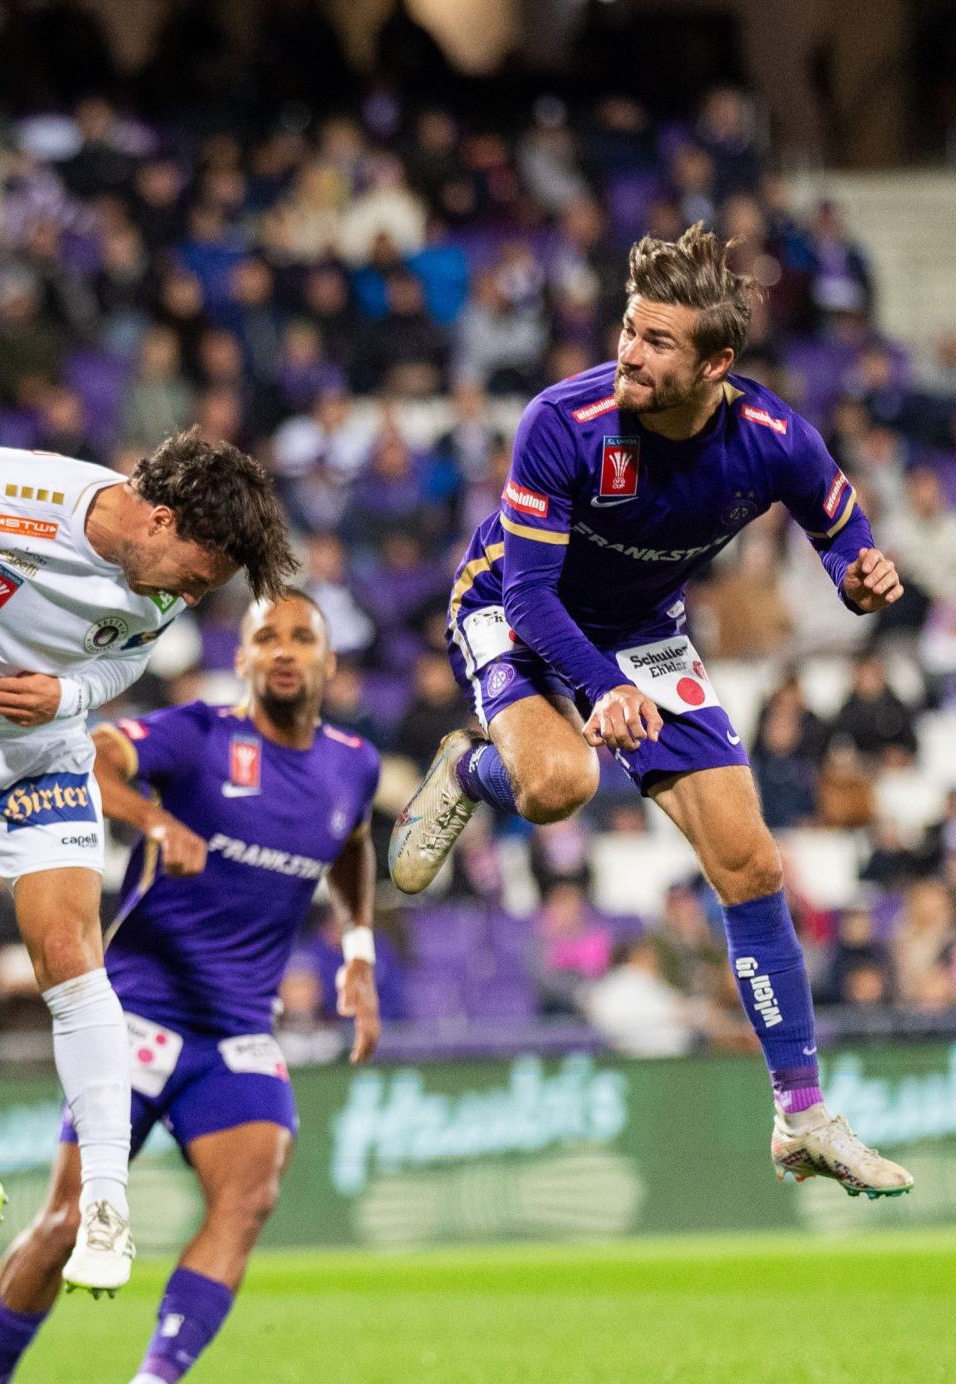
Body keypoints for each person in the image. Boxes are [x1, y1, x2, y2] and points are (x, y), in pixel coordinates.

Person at [389, 224, 911, 1198]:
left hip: (640, 628)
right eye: (629, 328)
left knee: (751, 861)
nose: (628, 351)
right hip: (511, 605)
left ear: (714, 362)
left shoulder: (769, 439)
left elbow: (840, 532)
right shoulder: (562, 420)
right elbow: (535, 598)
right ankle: (469, 766)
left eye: (657, 341)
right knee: (556, 785)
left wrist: (859, 575)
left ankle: (800, 1117)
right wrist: (601, 690)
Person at [0, 427, 295, 1308]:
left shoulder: (164, 584)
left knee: (69, 953)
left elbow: (123, 653)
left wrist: (72, 695)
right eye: (196, 576)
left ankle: (104, 1200)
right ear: (160, 519)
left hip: (35, 756)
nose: (191, 597)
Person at [0, 590, 380, 1384]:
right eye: (267, 637)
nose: (285, 650)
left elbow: (350, 843)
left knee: (249, 1199)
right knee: (68, 1220)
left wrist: (358, 951)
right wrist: (153, 818)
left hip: (234, 1032)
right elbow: (87, 758)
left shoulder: (353, 764)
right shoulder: (199, 734)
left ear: (331, 663)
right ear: (245, 658)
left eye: (303, 637)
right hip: (136, 1015)